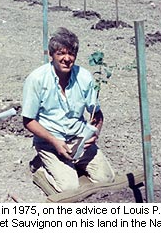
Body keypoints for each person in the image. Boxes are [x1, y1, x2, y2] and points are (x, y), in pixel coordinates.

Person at [22, 27, 115, 193]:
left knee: (106, 179)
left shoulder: (85, 77)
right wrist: (54, 141)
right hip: (50, 141)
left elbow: (97, 115)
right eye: (60, 53)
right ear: (51, 55)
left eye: (71, 54)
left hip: (79, 140)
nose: (67, 59)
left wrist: (94, 133)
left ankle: (70, 165)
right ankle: (41, 168)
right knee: (69, 188)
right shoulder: (37, 79)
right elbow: (28, 120)